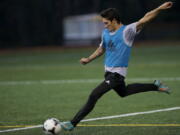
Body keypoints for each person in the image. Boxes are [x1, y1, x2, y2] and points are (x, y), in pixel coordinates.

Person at [61, 1, 173, 131]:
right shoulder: (105, 33)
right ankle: (156, 86)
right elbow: (101, 49)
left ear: (114, 20)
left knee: (94, 95)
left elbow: (146, 17)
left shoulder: (127, 31)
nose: (104, 25)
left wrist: (160, 8)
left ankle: (72, 123)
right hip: (108, 73)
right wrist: (88, 59)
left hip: (117, 75)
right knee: (123, 92)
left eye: (106, 23)